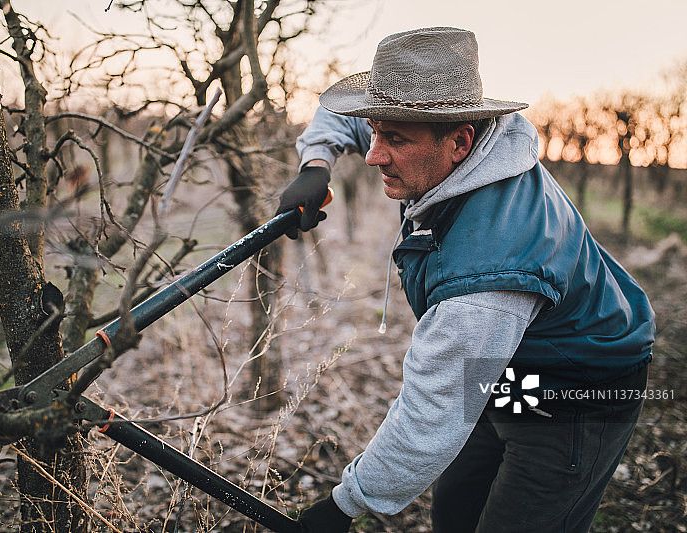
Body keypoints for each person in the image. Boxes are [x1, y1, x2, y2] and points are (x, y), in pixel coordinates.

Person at [278, 27, 656, 532]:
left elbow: (431, 414)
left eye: (394, 139)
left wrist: (344, 507)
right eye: (373, 131)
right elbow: (349, 114)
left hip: (577, 391)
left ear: (460, 141)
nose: (373, 155)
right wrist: (316, 162)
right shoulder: (472, 148)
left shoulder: (488, 276)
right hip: (500, 368)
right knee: (457, 510)